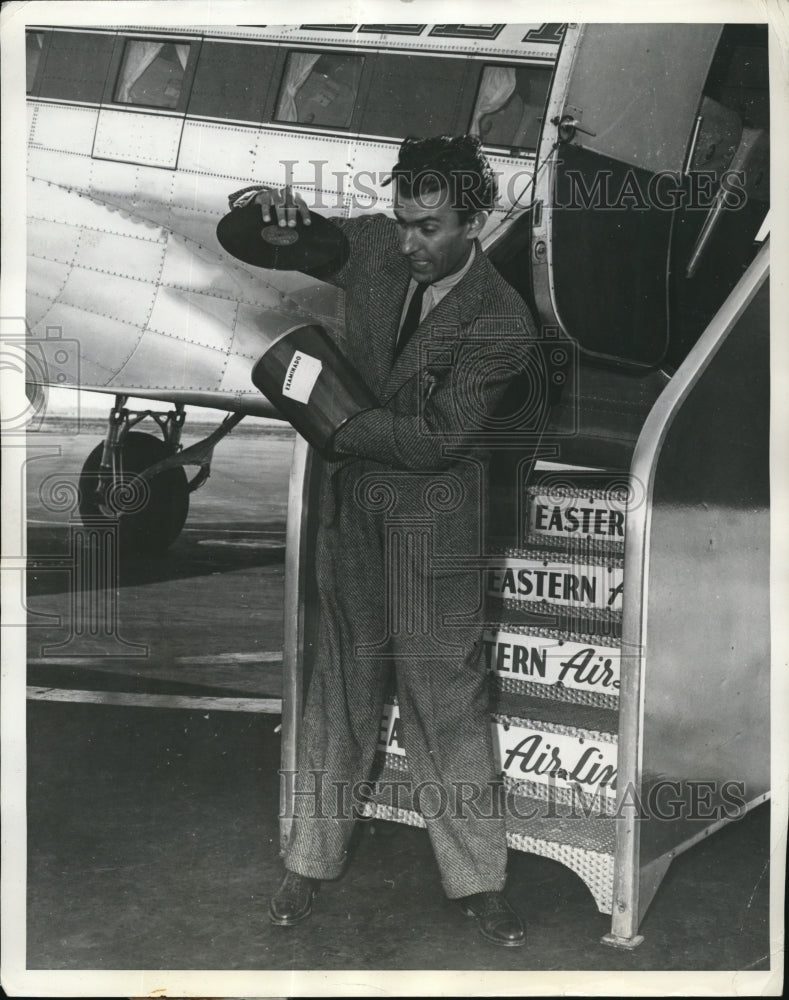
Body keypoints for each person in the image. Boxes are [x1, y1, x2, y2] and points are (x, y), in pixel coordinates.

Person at [230, 135, 542, 947]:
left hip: (438, 531)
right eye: (403, 221)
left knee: (449, 705)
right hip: (354, 524)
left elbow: (436, 440)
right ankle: (309, 862)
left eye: (430, 227)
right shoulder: (375, 247)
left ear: (475, 219)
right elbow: (289, 241)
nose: (411, 244)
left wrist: (334, 420)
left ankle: (478, 881)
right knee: (339, 693)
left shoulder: (502, 321)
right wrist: (268, 211)